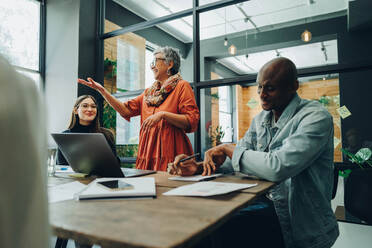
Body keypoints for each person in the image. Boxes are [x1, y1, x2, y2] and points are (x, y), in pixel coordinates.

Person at [170, 57, 339, 248]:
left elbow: (277, 167)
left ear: (293, 87)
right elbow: (239, 161)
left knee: (216, 232)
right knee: (202, 227)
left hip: (302, 227)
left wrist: (228, 149)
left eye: (270, 88)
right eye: (259, 87)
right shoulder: (260, 120)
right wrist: (199, 167)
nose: (262, 94)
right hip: (267, 208)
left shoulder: (315, 117)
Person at [78, 46, 200, 171]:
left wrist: (163, 115)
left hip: (173, 153)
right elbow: (125, 110)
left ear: (170, 64)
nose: (152, 66)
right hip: (147, 153)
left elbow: (192, 120)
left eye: (155, 61)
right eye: (151, 62)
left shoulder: (182, 87)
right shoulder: (148, 93)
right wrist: (102, 91)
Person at [0, 55, 49, 247]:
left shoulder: (16, 88)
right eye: (84, 105)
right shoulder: (19, 88)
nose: (90, 109)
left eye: (93, 106)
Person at [56, 95, 116, 165]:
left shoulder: (107, 134)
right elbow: (60, 164)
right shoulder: (65, 136)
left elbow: (115, 163)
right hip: (72, 175)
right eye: (85, 106)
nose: (90, 109)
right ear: (76, 110)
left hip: (101, 175)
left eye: (93, 106)